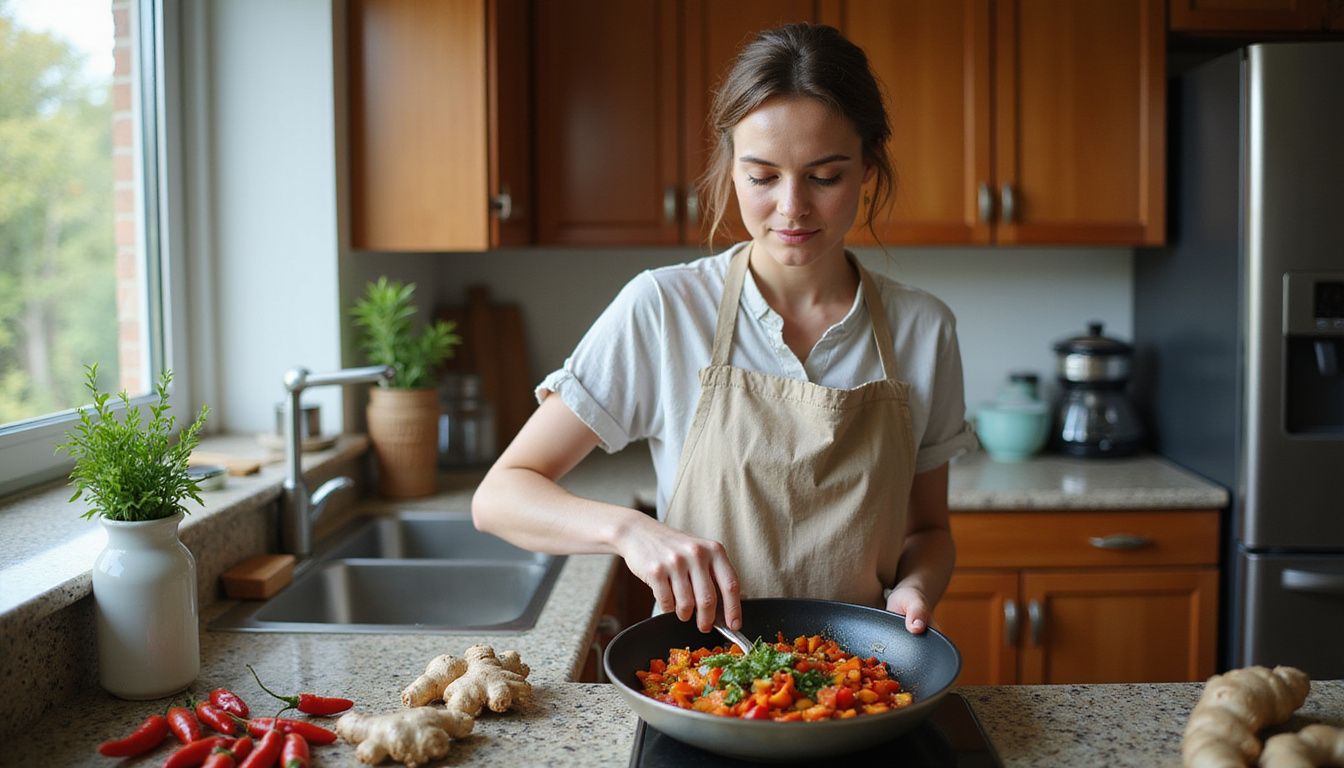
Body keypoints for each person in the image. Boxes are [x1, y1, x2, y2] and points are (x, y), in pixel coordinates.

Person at [472, 23, 976, 637]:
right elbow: (499, 496)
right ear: (730, 167)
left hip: (861, 678)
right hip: (701, 680)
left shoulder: (924, 329)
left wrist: (918, 586)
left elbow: (928, 531)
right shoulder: (664, 308)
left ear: (868, 166)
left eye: (824, 176)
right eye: (762, 176)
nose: (792, 207)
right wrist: (630, 531)